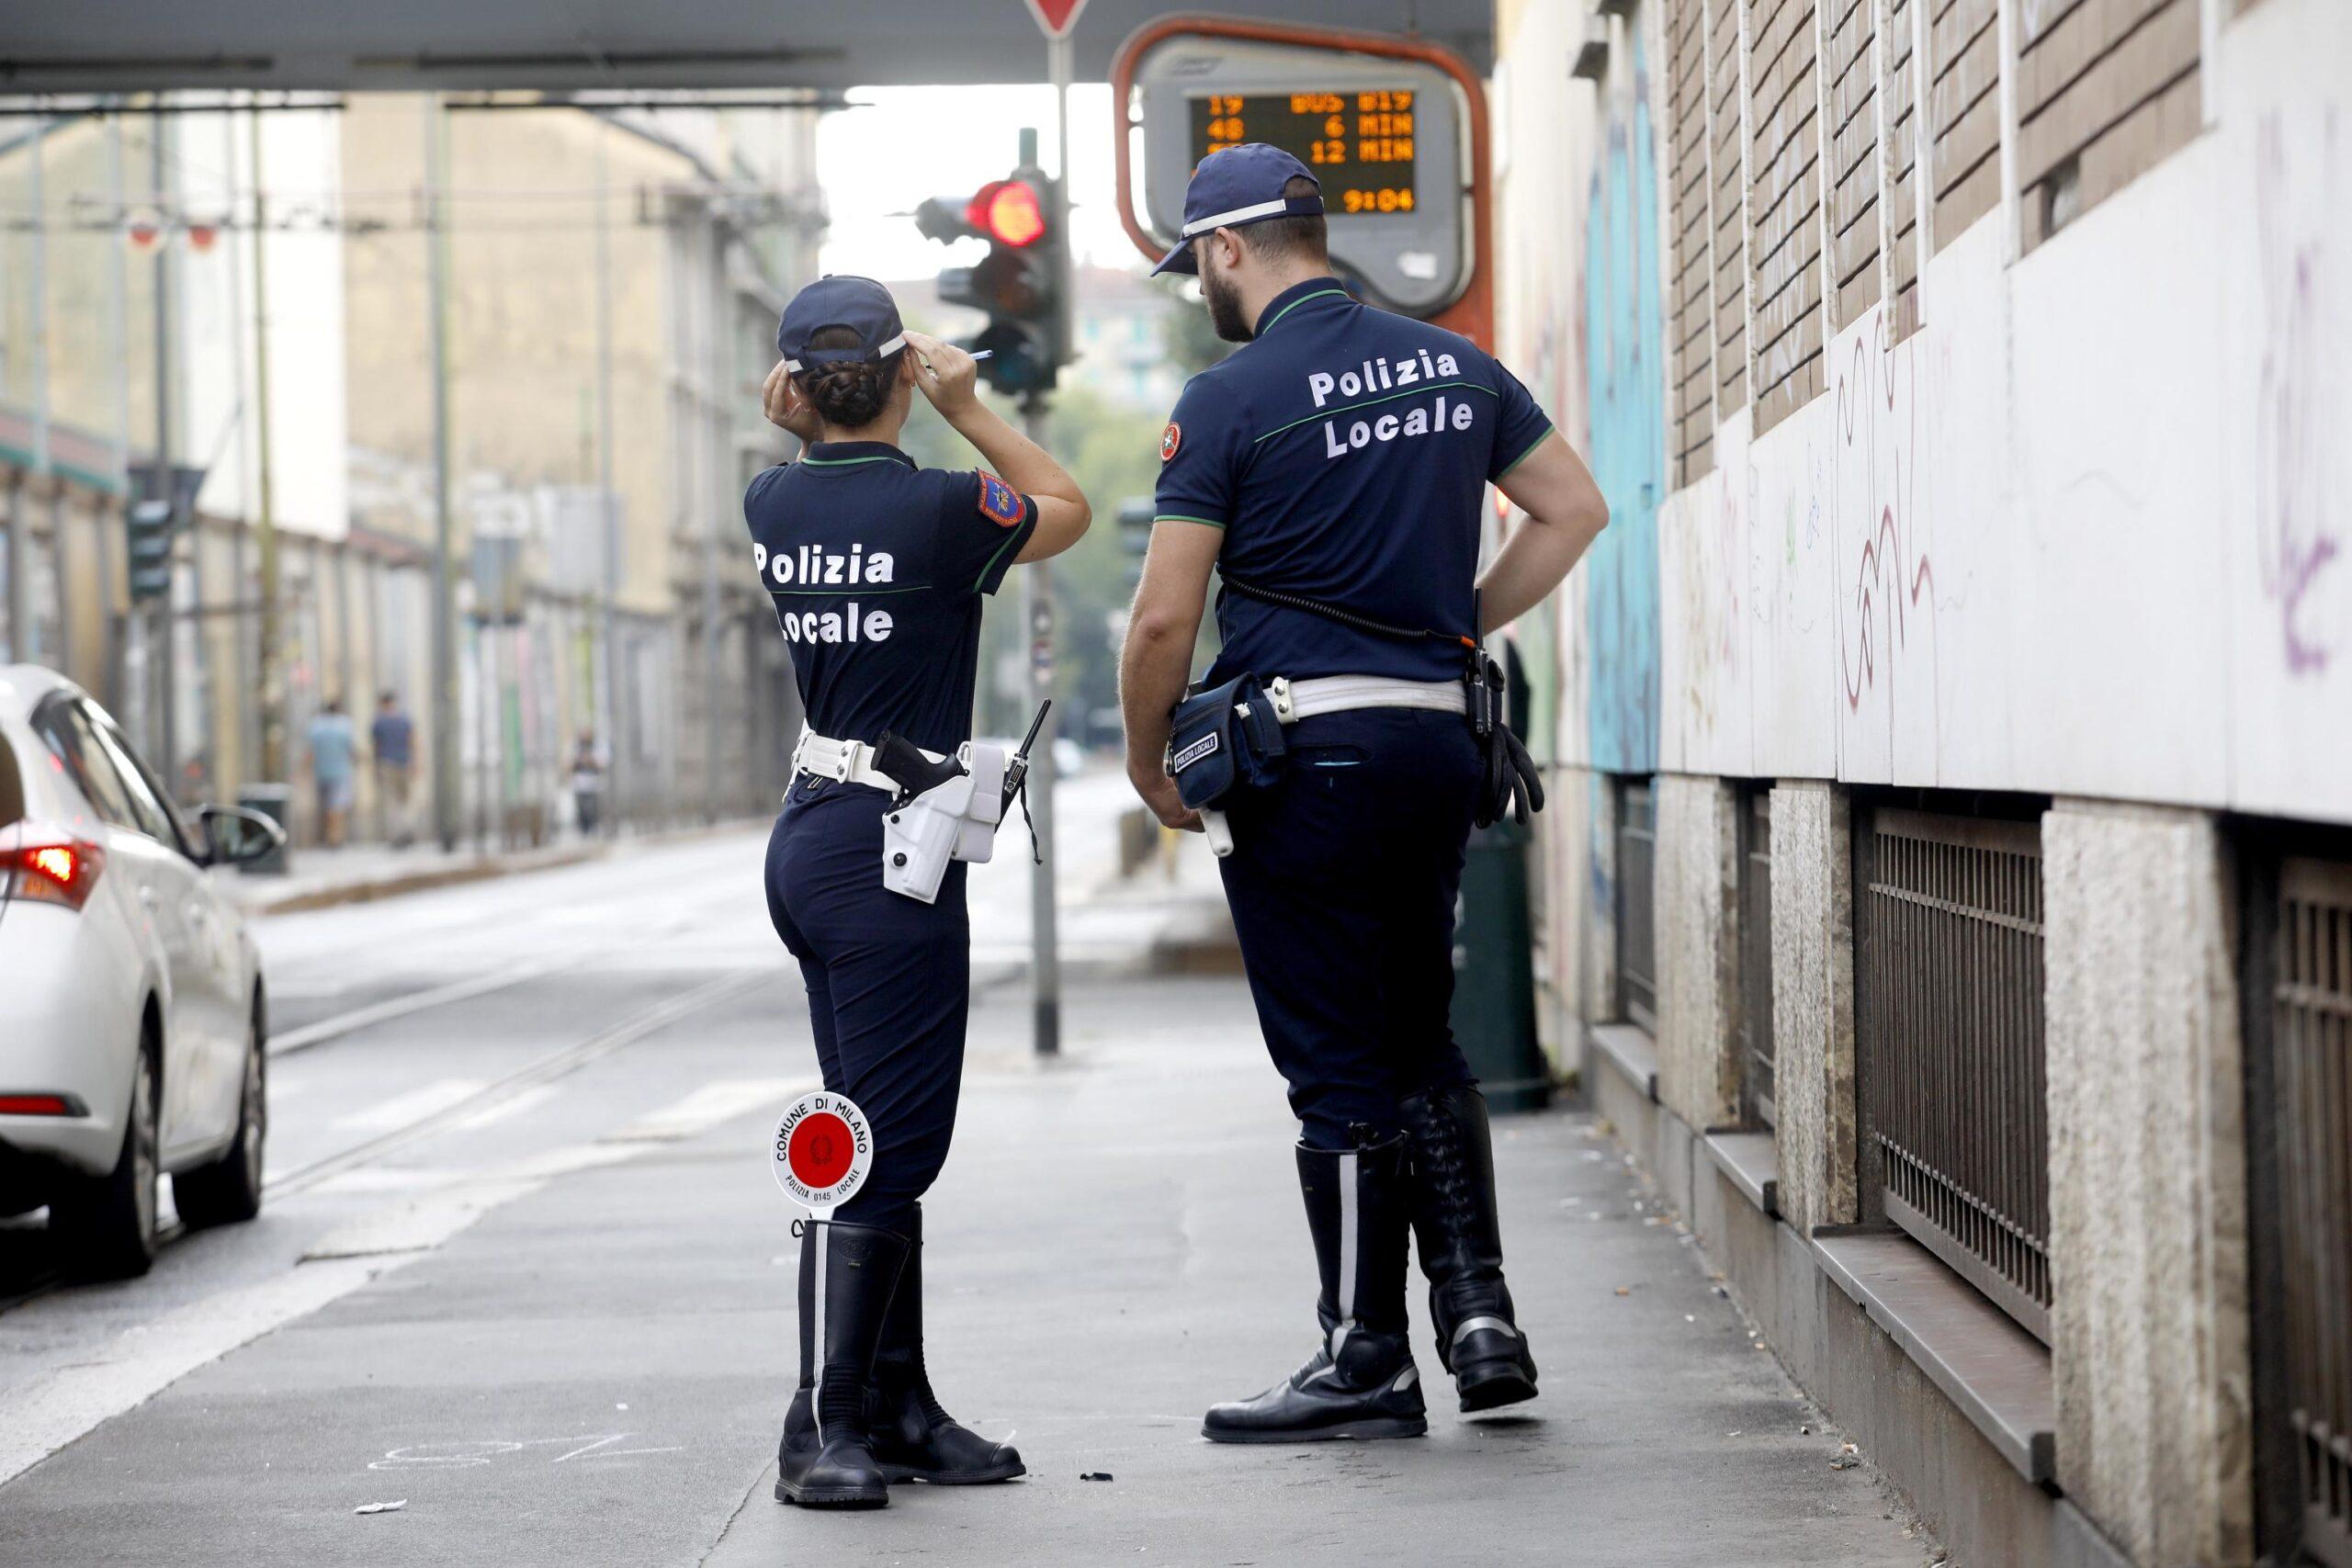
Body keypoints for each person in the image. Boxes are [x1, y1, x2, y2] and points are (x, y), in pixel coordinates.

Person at [1118, 145, 1611, 1444]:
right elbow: (1573, 509)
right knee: (1422, 1036)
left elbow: (1166, 613)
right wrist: (1455, 624)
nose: (1199, 291)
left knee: (1337, 1058)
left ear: (1228, 250)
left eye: (1197, 267)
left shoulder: (1230, 397)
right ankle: (1482, 1315)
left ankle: (1364, 1353)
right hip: (1438, 745)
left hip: (1305, 764)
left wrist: (1147, 756)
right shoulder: (1456, 367)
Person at [748, 276, 1091, 1508]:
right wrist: (971, 402)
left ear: (792, 390)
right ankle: (819, 1419)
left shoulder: (771, 494)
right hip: (888, 848)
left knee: (873, 1123)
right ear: (904, 372)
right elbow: (1066, 505)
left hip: (815, 834)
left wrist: (818, 416)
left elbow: (817, 452)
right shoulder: (945, 511)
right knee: (882, 1147)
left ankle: (894, 1402)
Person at [304, 697, 358, 850]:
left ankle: (330, 834)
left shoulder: (316, 726)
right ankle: (335, 836)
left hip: (321, 771)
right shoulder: (345, 725)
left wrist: (304, 770)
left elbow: (310, 751)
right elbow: (351, 749)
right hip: (340, 772)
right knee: (336, 806)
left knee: (326, 806)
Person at [370, 692, 415, 848]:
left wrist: (375, 767)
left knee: (391, 801)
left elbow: (376, 746)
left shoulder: (379, 722)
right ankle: (407, 829)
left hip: (387, 763)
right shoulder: (404, 720)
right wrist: (415, 763)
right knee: (406, 800)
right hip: (404, 762)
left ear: (382, 704)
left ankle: (396, 835)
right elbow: (412, 741)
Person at [569, 729, 605, 837]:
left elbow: (601, 764)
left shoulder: (597, 746)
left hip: (593, 783)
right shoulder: (575, 746)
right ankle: (583, 830)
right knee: (581, 808)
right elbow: (569, 764)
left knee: (591, 807)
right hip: (579, 784)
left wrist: (590, 760)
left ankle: (592, 828)